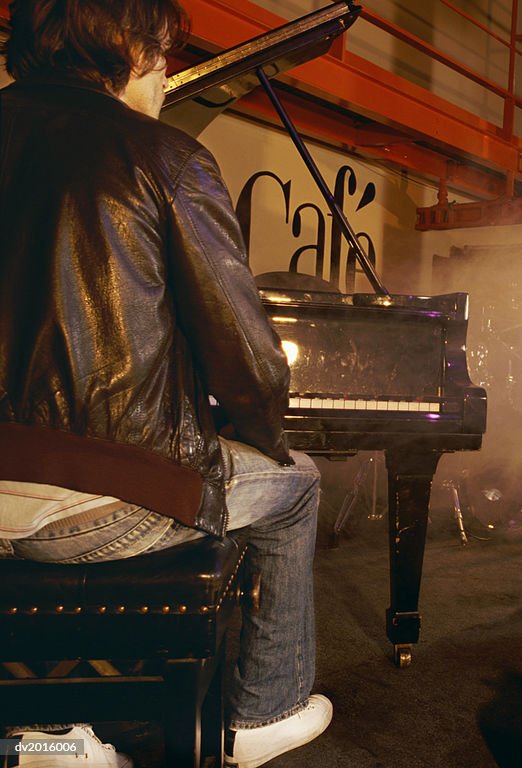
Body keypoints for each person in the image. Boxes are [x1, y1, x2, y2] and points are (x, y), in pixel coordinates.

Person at [0, 2, 330, 766]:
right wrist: (261, 434)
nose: (168, 73)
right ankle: (263, 712)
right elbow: (245, 358)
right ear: (130, 49)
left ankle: (49, 723)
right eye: (163, 54)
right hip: (100, 506)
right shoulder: (162, 155)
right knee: (297, 484)